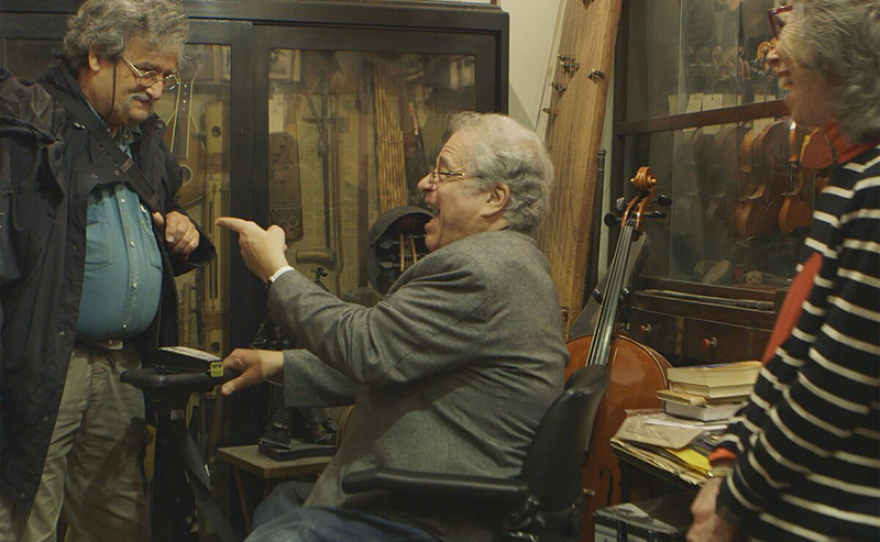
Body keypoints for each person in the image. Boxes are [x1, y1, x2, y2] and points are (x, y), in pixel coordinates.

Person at [216, 111, 567, 542]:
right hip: (412, 500)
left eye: (444, 172)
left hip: (423, 515)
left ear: (495, 198)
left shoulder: (481, 270)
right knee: (279, 502)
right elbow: (401, 353)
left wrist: (277, 272)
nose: (424, 183)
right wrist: (281, 363)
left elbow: (368, 347)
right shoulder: (508, 263)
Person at [0, 0, 215, 540]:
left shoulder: (143, 141)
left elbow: (135, 229)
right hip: (47, 364)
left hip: (123, 365)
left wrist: (181, 234)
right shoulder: (34, 128)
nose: (158, 88)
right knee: (26, 516)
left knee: (118, 521)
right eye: (146, 70)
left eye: (167, 76)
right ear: (96, 56)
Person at [687, 1, 879, 541]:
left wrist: (734, 500)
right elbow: (790, 355)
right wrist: (726, 463)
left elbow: (830, 387)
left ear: (844, 64)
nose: (772, 53)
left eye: (790, 28)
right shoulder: (853, 176)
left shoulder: (874, 187)